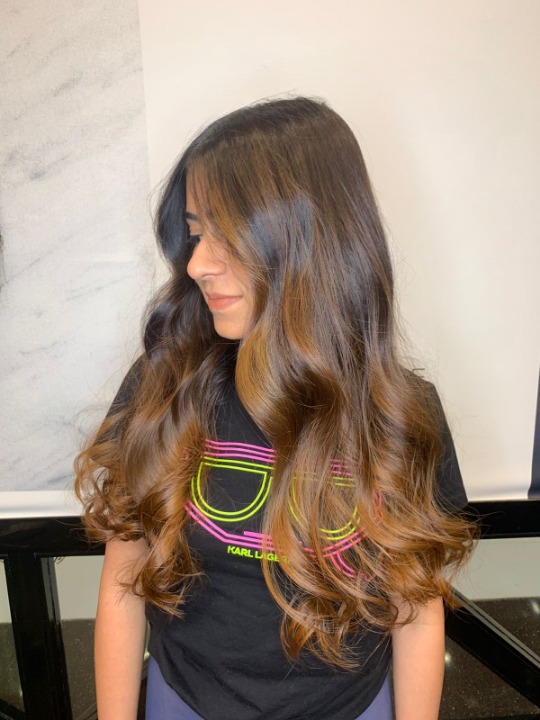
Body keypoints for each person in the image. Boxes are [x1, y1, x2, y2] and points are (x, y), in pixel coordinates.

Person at [74, 96, 476, 720]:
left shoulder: (400, 415)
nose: (197, 263)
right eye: (197, 232)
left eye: (226, 234)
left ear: (309, 239)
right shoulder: (165, 387)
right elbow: (124, 582)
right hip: (185, 702)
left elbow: (416, 609)